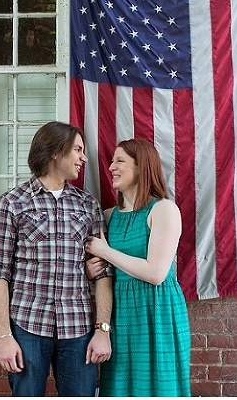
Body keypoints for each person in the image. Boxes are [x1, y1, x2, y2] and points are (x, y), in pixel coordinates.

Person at [0, 121, 113, 397]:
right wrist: (5, 337)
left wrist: (103, 330)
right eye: (77, 150)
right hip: (28, 326)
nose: (84, 158)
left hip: (78, 329)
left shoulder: (86, 205)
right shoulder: (11, 203)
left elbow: (103, 274)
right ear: (56, 152)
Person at [85, 139, 191, 396]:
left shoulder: (164, 209)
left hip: (157, 312)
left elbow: (156, 273)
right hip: (120, 315)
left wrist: (106, 252)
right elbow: (106, 273)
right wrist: (91, 272)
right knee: (121, 387)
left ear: (142, 167)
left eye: (119, 161)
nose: (111, 167)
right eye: (112, 161)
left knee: (159, 387)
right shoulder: (110, 216)